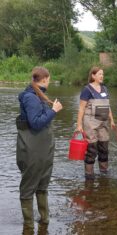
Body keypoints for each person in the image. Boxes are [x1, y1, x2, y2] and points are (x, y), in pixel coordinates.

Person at [16, 66, 63, 230]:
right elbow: (35, 123)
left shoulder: (38, 95)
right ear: (44, 79)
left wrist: (51, 110)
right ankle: (28, 226)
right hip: (32, 147)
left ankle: (44, 221)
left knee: (43, 184)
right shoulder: (30, 98)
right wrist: (54, 111)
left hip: (43, 148)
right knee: (29, 186)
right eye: (49, 79)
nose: (49, 82)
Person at [76, 66, 115, 180]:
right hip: (90, 122)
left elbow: (108, 106)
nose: (102, 76)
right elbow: (81, 108)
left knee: (104, 148)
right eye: (99, 74)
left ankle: (104, 172)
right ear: (93, 76)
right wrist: (79, 125)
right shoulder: (87, 89)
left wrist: (112, 120)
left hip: (103, 122)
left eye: (103, 74)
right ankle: (89, 174)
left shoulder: (105, 89)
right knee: (92, 149)